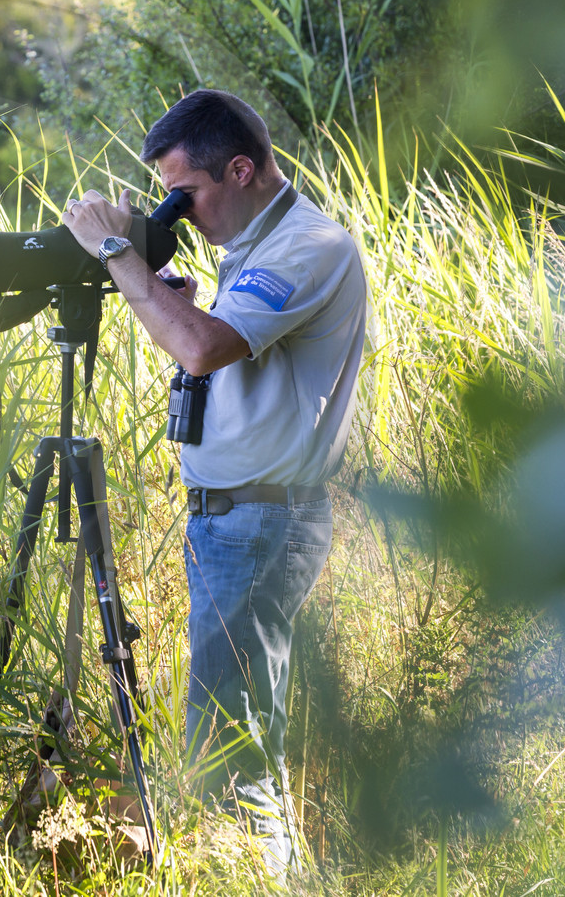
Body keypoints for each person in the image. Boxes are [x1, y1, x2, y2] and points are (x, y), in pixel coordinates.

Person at [61, 89, 367, 877]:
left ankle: (272, 882)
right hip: (235, 523)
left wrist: (115, 253)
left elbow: (200, 352)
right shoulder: (250, 250)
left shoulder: (308, 247)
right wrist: (156, 278)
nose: (180, 211)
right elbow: (211, 348)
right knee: (234, 738)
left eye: (186, 194)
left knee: (234, 751)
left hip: (261, 525)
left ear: (240, 169)